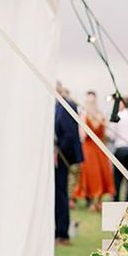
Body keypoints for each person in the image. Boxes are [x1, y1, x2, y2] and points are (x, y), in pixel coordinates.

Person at [74, 91, 115, 211]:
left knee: (100, 173)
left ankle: (97, 201)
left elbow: (83, 135)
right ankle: (94, 200)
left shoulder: (99, 116)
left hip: (97, 149)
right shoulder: (89, 116)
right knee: (92, 174)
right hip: (91, 149)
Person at [54, 85, 83, 244]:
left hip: (62, 158)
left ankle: (62, 233)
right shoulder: (57, 106)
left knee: (61, 195)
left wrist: (59, 152)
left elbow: (69, 134)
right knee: (57, 195)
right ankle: (57, 230)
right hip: (56, 158)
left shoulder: (66, 106)